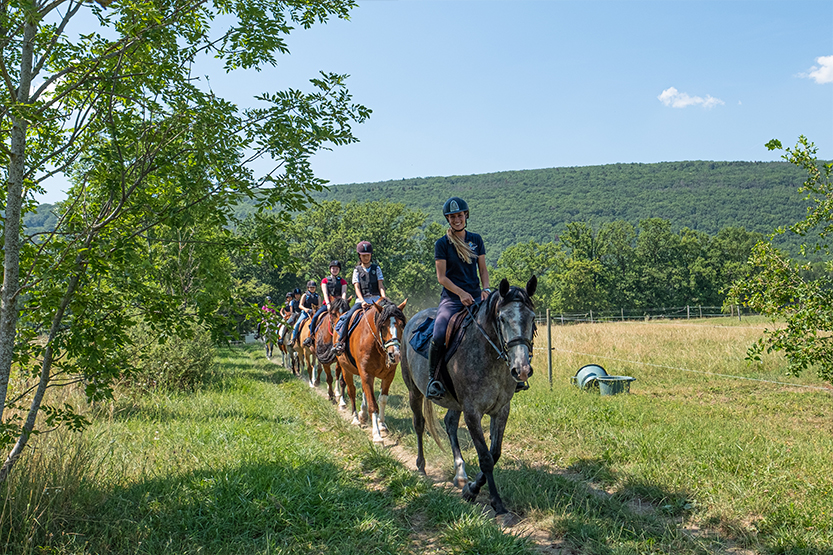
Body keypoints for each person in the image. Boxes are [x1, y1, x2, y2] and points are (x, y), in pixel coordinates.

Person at [426, 197, 491, 400]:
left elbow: (482, 269)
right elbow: (441, 277)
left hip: (476, 296)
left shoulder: (476, 239)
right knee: (438, 334)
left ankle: (510, 375)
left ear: (466, 216)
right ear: (448, 219)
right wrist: (460, 293)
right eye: (453, 216)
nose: (457, 219)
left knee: (499, 325)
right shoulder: (442, 244)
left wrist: (486, 290)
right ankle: (433, 379)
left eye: (460, 215)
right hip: (452, 299)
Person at [334, 241, 387, 354]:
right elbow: (357, 288)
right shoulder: (356, 270)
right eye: (364, 256)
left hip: (377, 299)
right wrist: (362, 301)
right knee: (348, 317)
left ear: (371, 255)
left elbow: (380, 285)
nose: (366, 257)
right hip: (361, 300)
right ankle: (341, 342)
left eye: (368, 255)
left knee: (392, 315)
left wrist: (384, 298)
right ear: (360, 256)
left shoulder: (376, 268)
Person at [303, 260, 348, 347]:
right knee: (315, 317)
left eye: (337, 269)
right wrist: (328, 304)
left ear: (339, 270)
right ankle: (310, 336)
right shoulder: (325, 280)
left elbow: (344, 293)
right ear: (330, 269)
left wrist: (343, 302)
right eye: (333, 268)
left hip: (339, 305)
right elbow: (325, 293)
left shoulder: (343, 281)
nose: (335, 270)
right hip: (328, 304)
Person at [291, 280, 320, 345]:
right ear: (308, 288)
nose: (312, 288)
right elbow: (300, 305)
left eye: (313, 287)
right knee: (298, 323)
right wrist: (305, 309)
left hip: (315, 313)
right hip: (305, 313)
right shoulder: (305, 295)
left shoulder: (318, 296)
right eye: (311, 287)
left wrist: (317, 310)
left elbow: (319, 306)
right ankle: (293, 338)